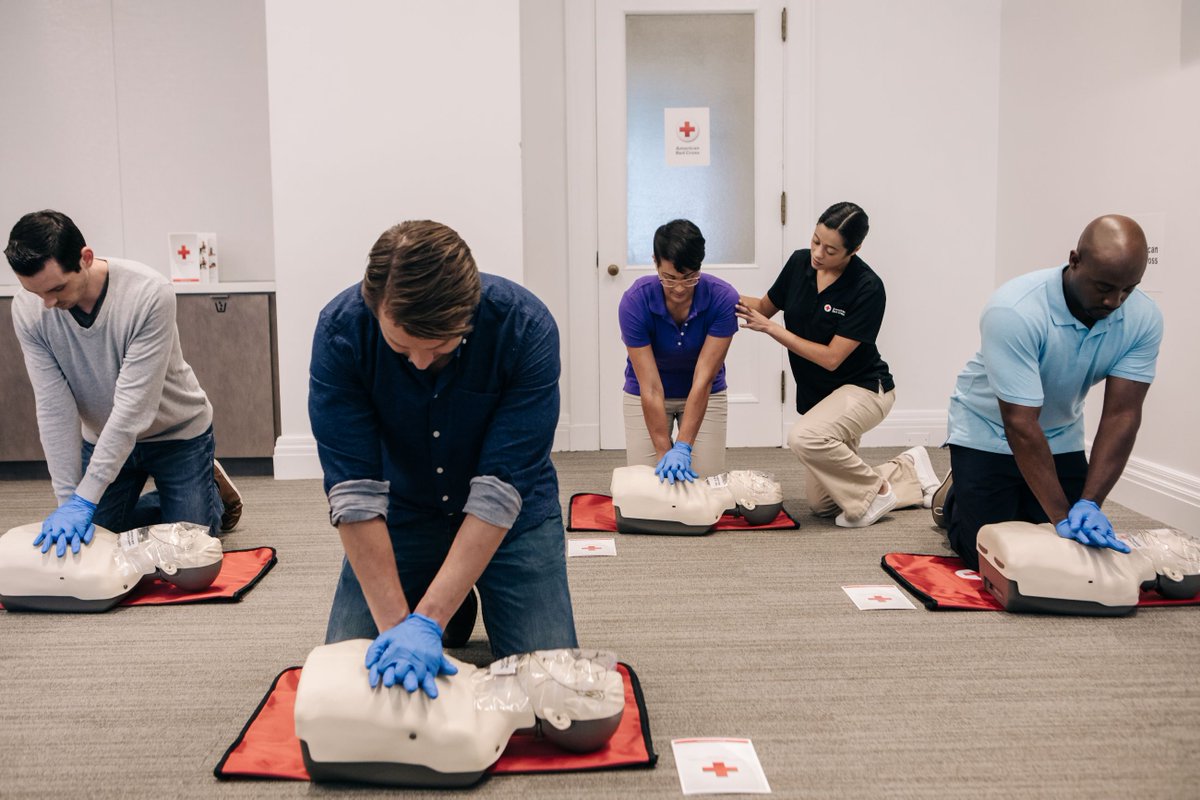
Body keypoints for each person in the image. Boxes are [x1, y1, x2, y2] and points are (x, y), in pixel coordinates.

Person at [310, 220, 578, 697]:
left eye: (437, 348)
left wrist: (427, 621)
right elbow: (353, 493)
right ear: (375, 312)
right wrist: (399, 631)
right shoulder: (341, 334)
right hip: (406, 511)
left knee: (549, 692)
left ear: (467, 313)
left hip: (514, 520)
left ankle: (448, 600)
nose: (417, 362)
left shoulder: (525, 328)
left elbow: (501, 488)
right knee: (350, 683)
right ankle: (452, 600)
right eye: (399, 347)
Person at [5, 210, 243, 558]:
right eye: (36, 292)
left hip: (176, 434)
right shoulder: (30, 307)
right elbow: (54, 407)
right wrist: (69, 500)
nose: (48, 304)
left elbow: (133, 409)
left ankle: (210, 494)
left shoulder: (148, 293)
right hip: (103, 438)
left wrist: (86, 497)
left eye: (57, 288)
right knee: (93, 543)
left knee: (188, 550)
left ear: (85, 258)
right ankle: (176, 497)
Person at [940, 214, 1160, 569]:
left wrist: (1089, 503)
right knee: (986, 553)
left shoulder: (1144, 318)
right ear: (1074, 261)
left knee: (1065, 550)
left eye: (1128, 290)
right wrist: (1061, 519)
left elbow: (1122, 414)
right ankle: (954, 497)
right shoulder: (1014, 309)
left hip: (1059, 432)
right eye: (1104, 288)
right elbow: (1020, 423)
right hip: (989, 428)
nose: (1114, 302)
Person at [736, 202, 941, 527]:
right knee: (824, 505)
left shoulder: (868, 287)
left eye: (830, 249)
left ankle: (879, 488)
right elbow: (763, 307)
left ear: (854, 249)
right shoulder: (799, 263)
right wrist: (710, 292)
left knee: (803, 438)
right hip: (823, 400)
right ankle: (908, 468)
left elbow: (831, 358)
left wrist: (773, 330)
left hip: (865, 390)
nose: (818, 253)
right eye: (816, 240)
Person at [618, 219, 738, 483]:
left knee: (706, 487)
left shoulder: (723, 298)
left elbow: (703, 379)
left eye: (690, 277)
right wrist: (664, 450)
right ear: (655, 262)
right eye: (669, 278)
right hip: (647, 393)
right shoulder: (635, 300)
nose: (680, 288)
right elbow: (649, 386)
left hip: (705, 392)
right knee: (648, 486)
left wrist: (682, 447)